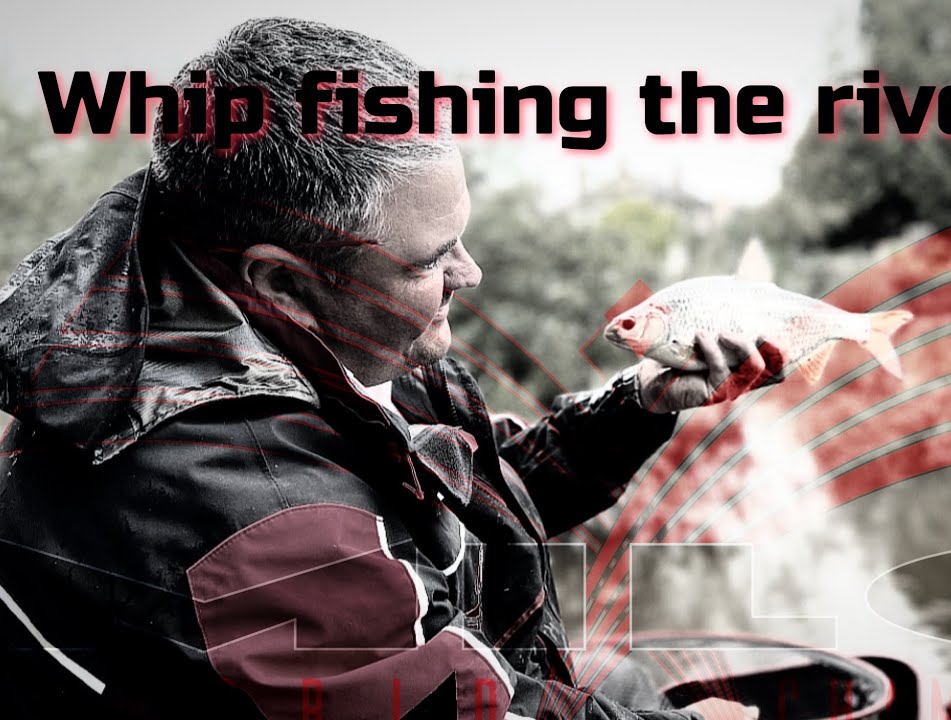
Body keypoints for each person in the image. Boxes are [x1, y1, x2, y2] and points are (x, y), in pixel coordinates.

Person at [0, 17, 780, 720]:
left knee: (631, 677)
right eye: (431, 259)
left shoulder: (311, 326)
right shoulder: (264, 513)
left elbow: (475, 494)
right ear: (283, 283)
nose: (471, 273)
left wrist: (637, 404)